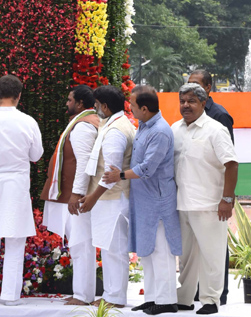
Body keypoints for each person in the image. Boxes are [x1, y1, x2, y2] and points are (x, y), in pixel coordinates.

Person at [102, 85, 181, 316]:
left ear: (144, 108)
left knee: (161, 251)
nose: (130, 109)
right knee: (147, 250)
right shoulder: (144, 125)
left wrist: (121, 175)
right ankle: (153, 298)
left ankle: (167, 301)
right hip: (144, 200)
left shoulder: (159, 131)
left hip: (158, 201)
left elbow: (148, 167)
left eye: (133, 106)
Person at [0, 74, 43, 306]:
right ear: (19, 96)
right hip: (16, 184)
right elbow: (36, 155)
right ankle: (10, 296)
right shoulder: (28, 121)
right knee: (15, 240)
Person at [173, 83, 238, 315]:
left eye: (191, 101)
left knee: (213, 254)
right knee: (186, 255)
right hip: (182, 204)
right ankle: (185, 298)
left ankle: (210, 300)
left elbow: (231, 164)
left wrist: (227, 199)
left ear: (203, 103)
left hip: (211, 205)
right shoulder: (175, 129)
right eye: (182, 101)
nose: (185, 105)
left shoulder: (215, 129)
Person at [77, 84, 136, 311]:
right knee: (110, 248)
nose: (95, 109)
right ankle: (113, 294)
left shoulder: (115, 132)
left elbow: (111, 173)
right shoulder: (115, 124)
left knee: (114, 249)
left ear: (105, 106)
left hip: (112, 197)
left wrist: (92, 196)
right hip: (111, 197)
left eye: (96, 105)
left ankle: (115, 297)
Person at [41, 85, 100, 306]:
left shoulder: (83, 126)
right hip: (75, 195)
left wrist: (77, 194)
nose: (66, 103)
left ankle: (83, 296)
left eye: (69, 100)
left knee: (80, 244)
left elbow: (84, 164)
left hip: (76, 197)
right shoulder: (86, 121)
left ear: (80, 104)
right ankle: (82, 294)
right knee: (80, 244)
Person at [188, 68, 233, 307]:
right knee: (197, 246)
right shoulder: (188, 115)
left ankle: (219, 294)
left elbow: (229, 160)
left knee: (215, 246)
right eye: (188, 84)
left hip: (213, 193)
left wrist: (226, 197)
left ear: (208, 88)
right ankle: (198, 292)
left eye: (196, 85)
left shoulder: (219, 115)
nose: (191, 89)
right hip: (193, 193)